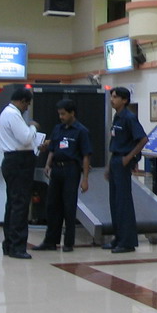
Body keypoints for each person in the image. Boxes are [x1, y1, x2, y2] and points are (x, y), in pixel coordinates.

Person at [33, 99, 92, 252]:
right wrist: (47, 164)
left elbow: (86, 156)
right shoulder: (58, 129)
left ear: (72, 113)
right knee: (52, 206)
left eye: (64, 114)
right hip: (56, 170)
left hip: (71, 170)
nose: (61, 117)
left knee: (69, 206)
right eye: (59, 114)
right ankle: (50, 241)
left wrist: (85, 179)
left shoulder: (81, 131)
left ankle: (68, 242)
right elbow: (52, 148)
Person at [103, 86, 147, 254]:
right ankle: (118, 237)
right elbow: (115, 141)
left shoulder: (129, 117)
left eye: (115, 97)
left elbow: (142, 139)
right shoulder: (117, 117)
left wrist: (129, 158)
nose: (112, 99)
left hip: (123, 161)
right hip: (115, 160)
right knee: (114, 201)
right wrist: (109, 165)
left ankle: (127, 241)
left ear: (124, 100)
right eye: (111, 96)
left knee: (123, 202)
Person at [0, 87, 39, 259]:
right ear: (21, 101)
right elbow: (26, 138)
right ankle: (17, 246)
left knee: (13, 204)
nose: (27, 108)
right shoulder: (13, 114)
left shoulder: (6, 113)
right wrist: (33, 128)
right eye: (26, 104)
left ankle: (9, 243)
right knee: (20, 205)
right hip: (19, 162)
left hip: (13, 161)